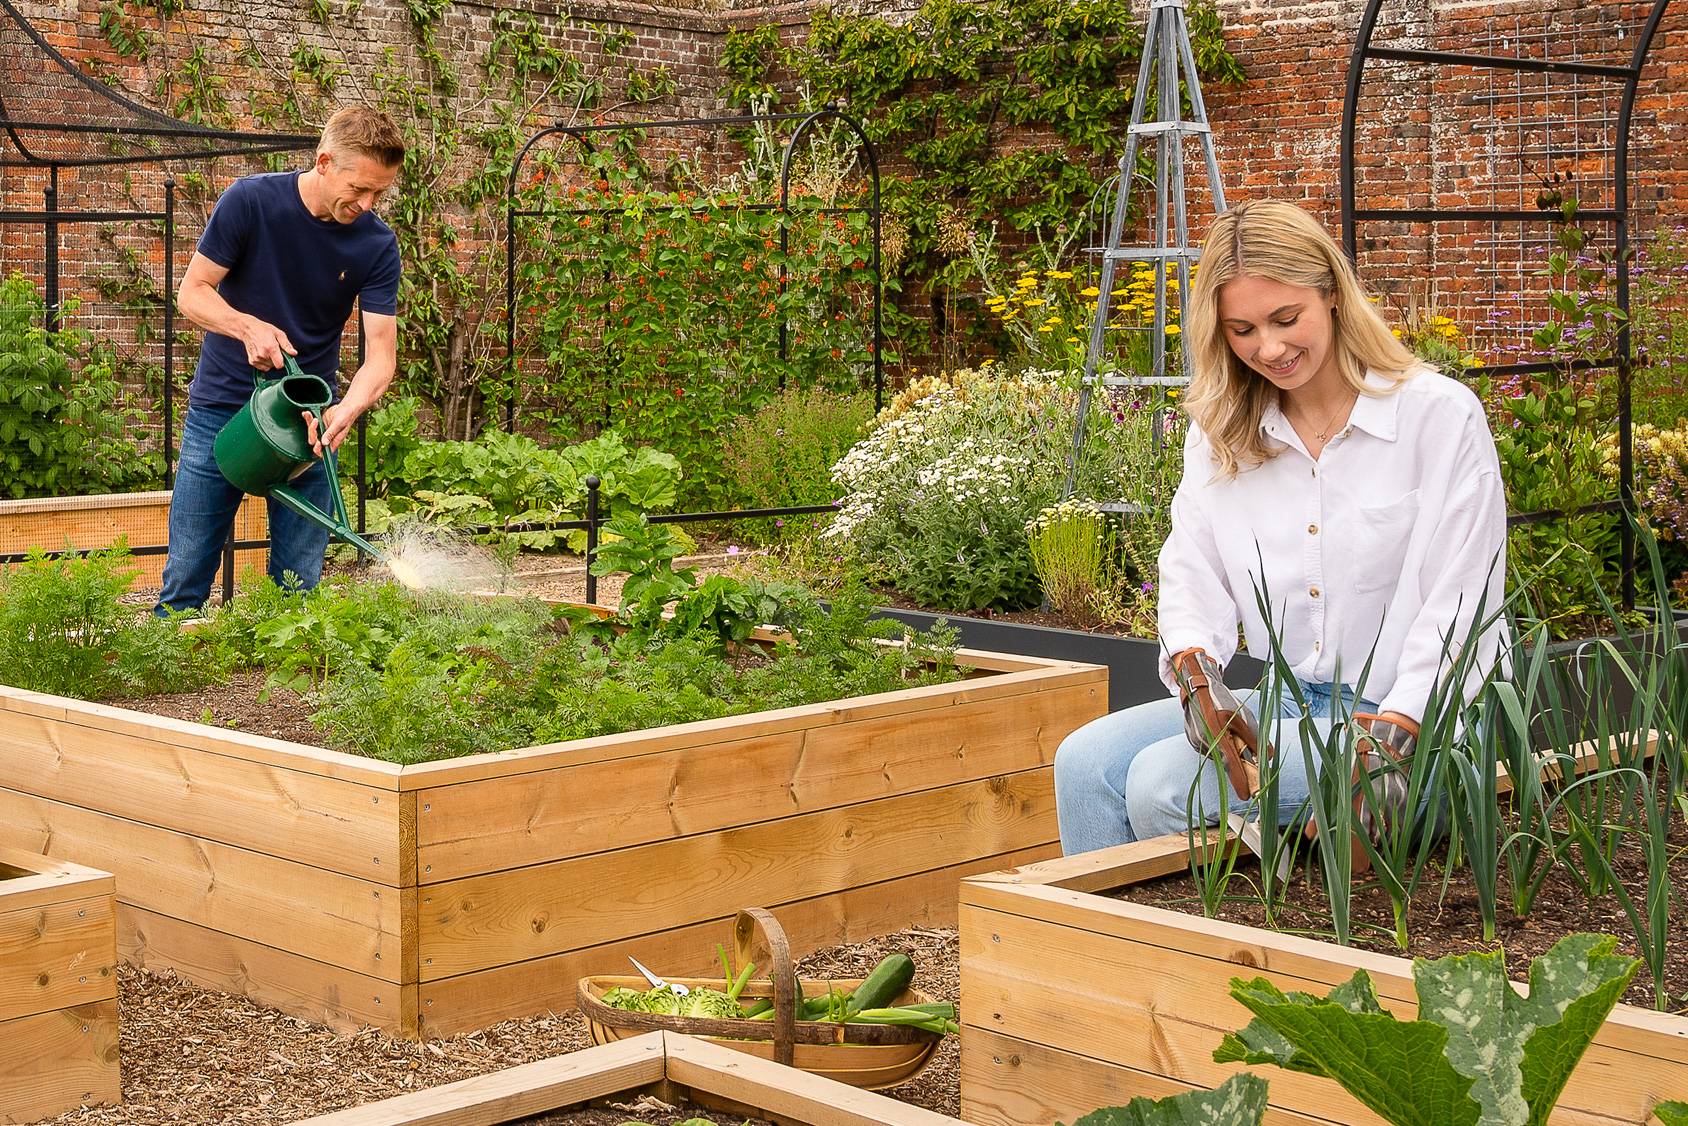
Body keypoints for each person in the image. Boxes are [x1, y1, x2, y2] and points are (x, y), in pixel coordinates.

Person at [1053, 199, 1508, 855]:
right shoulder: (1223, 434)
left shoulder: (1436, 418)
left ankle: (1212, 943)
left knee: (1159, 786)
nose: (1268, 348)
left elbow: (1463, 606)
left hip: (1408, 721)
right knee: (1082, 761)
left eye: (1285, 318)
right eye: (1241, 329)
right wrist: (1196, 679)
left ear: (1331, 294)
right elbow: (1191, 569)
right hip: (1290, 701)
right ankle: (1104, 955)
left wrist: (1395, 740)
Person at [154, 105, 405, 616]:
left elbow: (380, 357)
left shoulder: (377, 244)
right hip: (221, 412)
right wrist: (246, 326)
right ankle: (163, 672)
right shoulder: (250, 202)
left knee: (297, 595)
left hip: (309, 425)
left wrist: (347, 411)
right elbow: (192, 293)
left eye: (379, 192)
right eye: (358, 188)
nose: (367, 203)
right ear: (324, 161)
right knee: (184, 585)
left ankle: (285, 694)